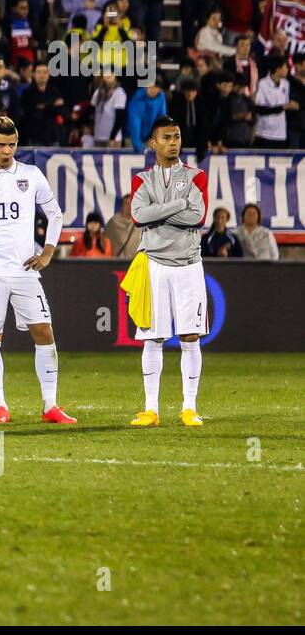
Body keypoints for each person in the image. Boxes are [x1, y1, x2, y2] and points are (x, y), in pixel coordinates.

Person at [0, 117, 75, 425]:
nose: (7, 150)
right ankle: (0, 406)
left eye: (12, 144)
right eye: (1, 144)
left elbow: (55, 214)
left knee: (44, 332)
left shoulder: (31, 174)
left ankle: (50, 405)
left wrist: (48, 251)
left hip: (24, 271)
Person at [124, 116, 210, 428]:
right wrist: (178, 205)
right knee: (153, 338)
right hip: (153, 265)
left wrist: (157, 215)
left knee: (190, 337)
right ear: (153, 143)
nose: (173, 142)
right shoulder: (142, 180)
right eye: (167, 137)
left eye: (176, 137)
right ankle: (151, 409)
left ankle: (189, 407)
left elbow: (198, 217)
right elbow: (137, 216)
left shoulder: (196, 176)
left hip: (188, 264)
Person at [104, 193, 141, 258]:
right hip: (119, 263)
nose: (129, 206)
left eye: (131, 204)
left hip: (136, 263)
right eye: (126, 204)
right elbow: (104, 243)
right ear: (121, 206)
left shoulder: (140, 222)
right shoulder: (113, 223)